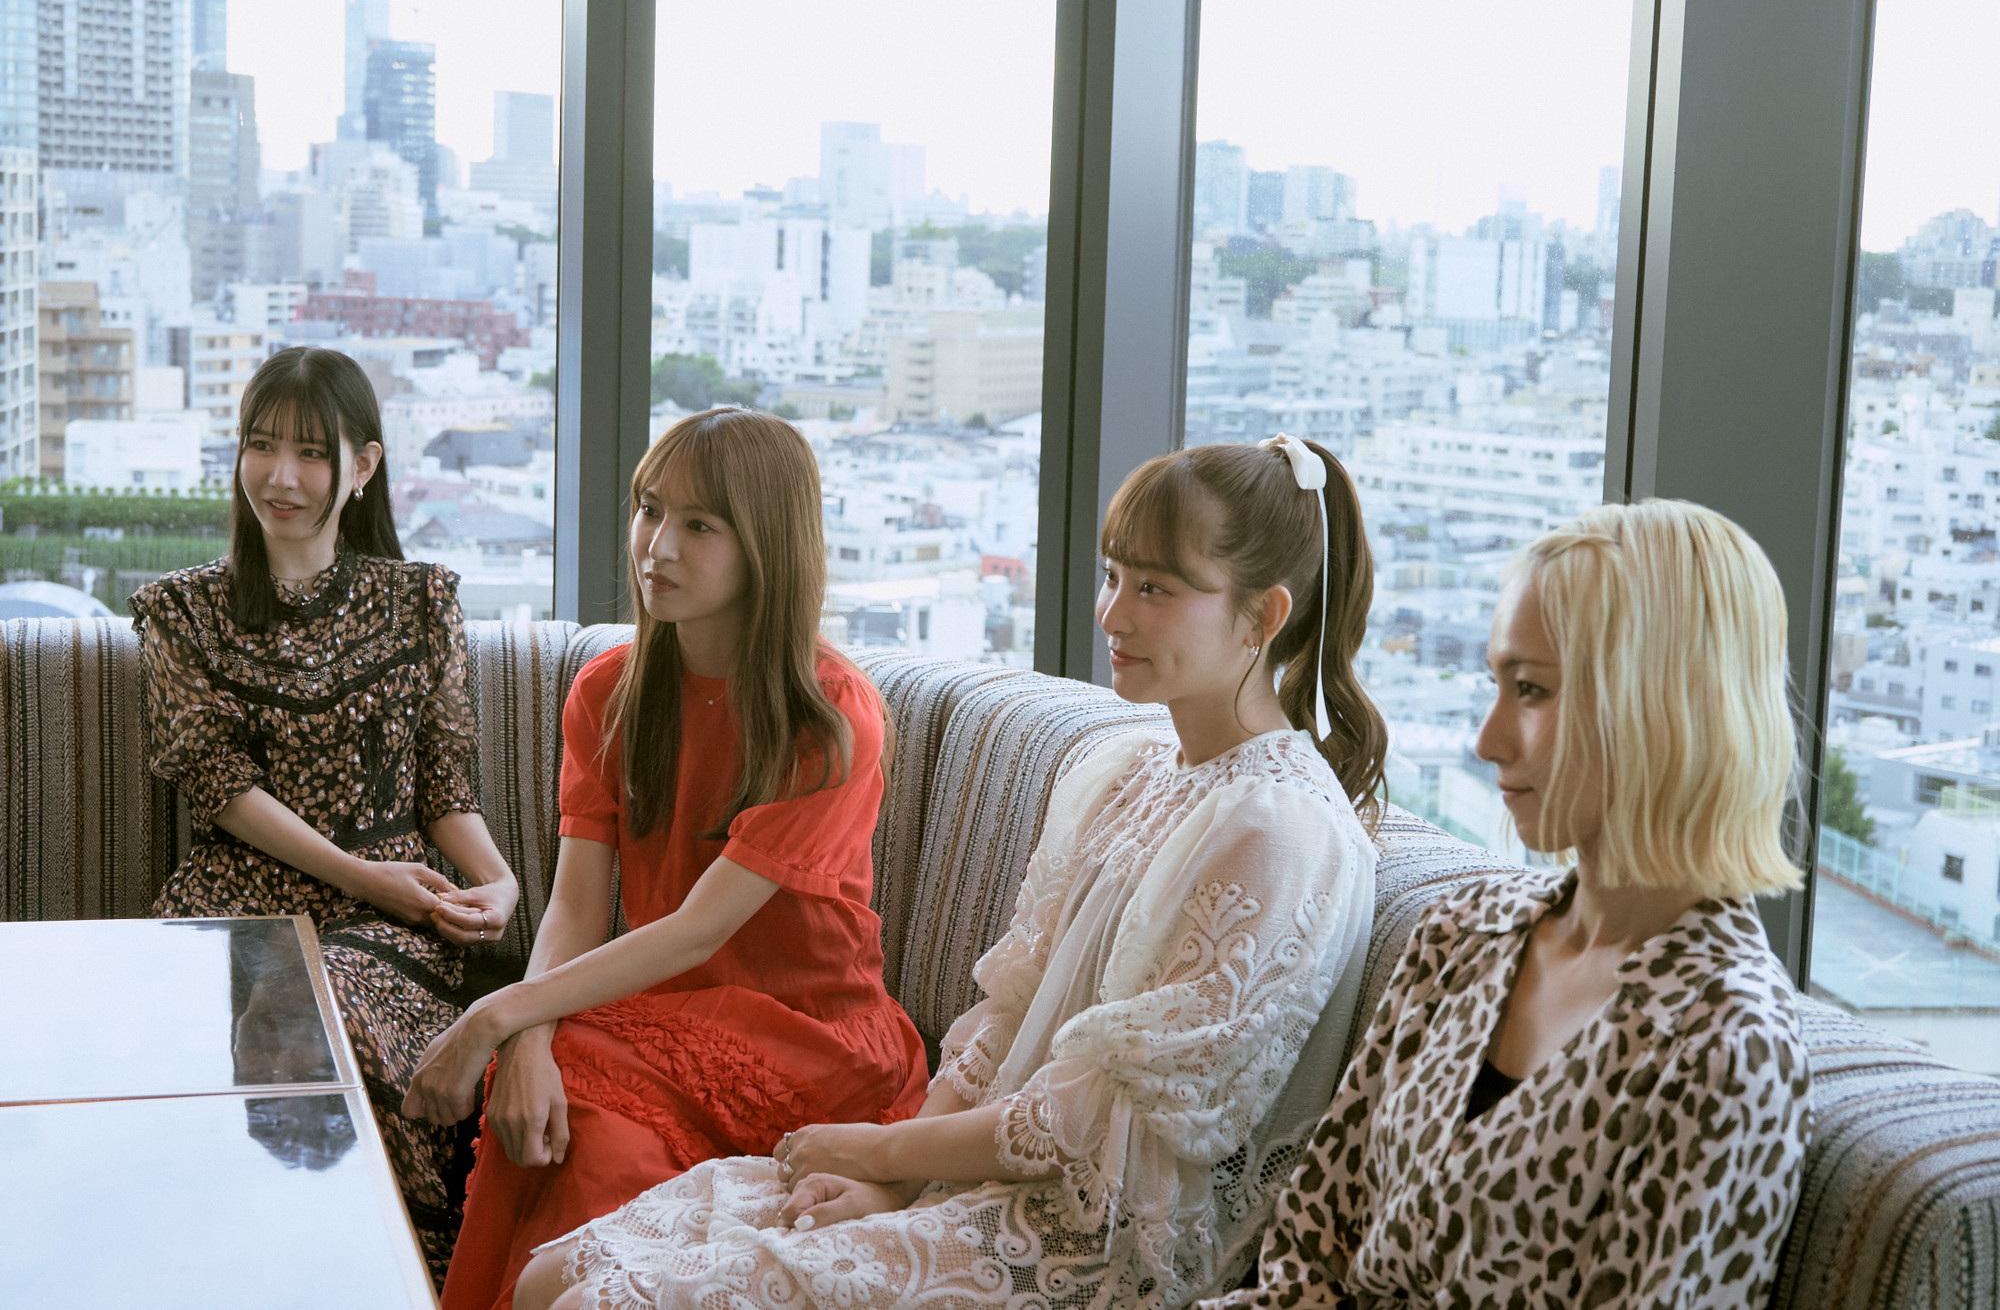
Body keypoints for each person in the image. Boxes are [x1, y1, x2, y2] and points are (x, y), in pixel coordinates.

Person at [508, 434, 1384, 1310]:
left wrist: (878, 1152)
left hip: (1076, 1242)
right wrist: (890, 1181)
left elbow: (1093, 1124)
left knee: (589, 1302)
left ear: (1263, 616)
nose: (1112, 615)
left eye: (1154, 588)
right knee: (550, 1276)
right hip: (959, 1180)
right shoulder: (1128, 773)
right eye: (1113, 576)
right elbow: (1005, 1018)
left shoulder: (1277, 827)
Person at [1209, 498, 1813, 1310]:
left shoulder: (1725, 1048)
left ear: (1668, 704)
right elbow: (1308, 1251)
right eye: (1498, 684)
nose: (1488, 741)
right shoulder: (1461, 937)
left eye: (1531, 690)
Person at [405, 408, 932, 1310]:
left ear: (766, 545)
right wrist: (527, 1037)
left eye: (699, 524)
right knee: (549, 1102)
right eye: (650, 510)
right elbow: (575, 908)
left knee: (572, 1089)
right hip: (659, 1029)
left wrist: (496, 1014)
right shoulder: (607, 693)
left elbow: (697, 931)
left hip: (810, 1038)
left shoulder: (829, 716)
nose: (657, 546)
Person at [130, 346, 521, 1281]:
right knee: (229, 1026)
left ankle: (386, 1275)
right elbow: (219, 786)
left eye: (311, 452)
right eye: (262, 445)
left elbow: (442, 786)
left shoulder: (422, 601)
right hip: (232, 904)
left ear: (363, 466)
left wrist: (500, 880)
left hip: (389, 915)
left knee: (325, 1006)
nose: (281, 476)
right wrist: (363, 876)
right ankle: (239, 1273)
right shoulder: (181, 613)